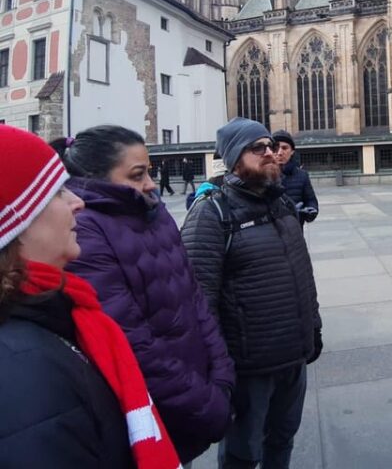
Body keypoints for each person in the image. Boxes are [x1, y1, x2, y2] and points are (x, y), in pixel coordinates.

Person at [51, 125, 235, 465]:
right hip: (155, 410)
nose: (151, 183)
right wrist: (206, 403)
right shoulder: (86, 232)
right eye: (138, 174)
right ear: (96, 177)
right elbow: (131, 341)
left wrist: (221, 372)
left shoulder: (153, 210)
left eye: (149, 172)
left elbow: (194, 297)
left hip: (195, 391)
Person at [0, 124, 179, 468]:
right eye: (57, 193)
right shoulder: (23, 365)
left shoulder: (50, 313)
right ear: (17, 222)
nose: (78, 202)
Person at [181, 117, 323, 469]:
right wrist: (216, 368)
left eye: (270, 146)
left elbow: (302, 275)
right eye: (256, 148)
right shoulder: (212, 213)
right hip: (248, 367)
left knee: (282, 440)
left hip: (294, 356)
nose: (270, 153)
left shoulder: (282, 204)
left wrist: (314, 328)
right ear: (233, 160)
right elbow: (198, 301)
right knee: (243, 454)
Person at [272, 129, 319, 226]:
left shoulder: (302, 175)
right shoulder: (262, 175)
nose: (280, 152)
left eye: (284, 148)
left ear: (292, 151)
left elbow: (311, 200)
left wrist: (310, 211)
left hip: (295, 231)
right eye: (275, 148)